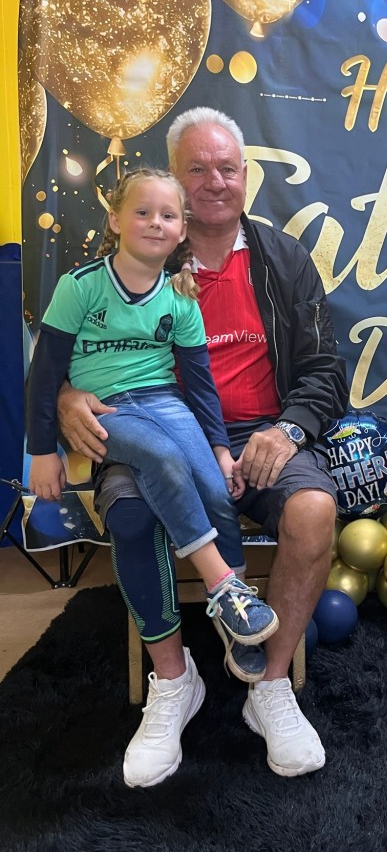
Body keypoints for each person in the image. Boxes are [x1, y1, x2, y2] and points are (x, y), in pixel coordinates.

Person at [58, 108, 349, 787]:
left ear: (246, 175)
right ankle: (173, 681)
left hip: (262, 432)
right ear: (172, 178)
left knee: (313, 509)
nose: (215, 182)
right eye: (197, 169)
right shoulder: (135, 255)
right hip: (153, 429)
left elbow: (325, 370)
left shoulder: (284, 259)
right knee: (130, 514)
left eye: (227, 168)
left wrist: (288, 430)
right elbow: (66, 349)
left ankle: (269, 685)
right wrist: (68, 396)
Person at [26, 168, 279, 659]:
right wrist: (42, 451)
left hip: (166, 401)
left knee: (215, 491)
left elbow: (200, 387)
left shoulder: (181, 298)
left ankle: (238, 627)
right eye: (142, 212)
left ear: (182, 230)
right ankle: (223, 586)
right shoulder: (80, 287)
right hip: (108, 408)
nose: (155, 223)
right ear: (115, 220)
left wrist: (220, 451)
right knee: (161, 455)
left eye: (168, 215)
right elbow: (45, 373)